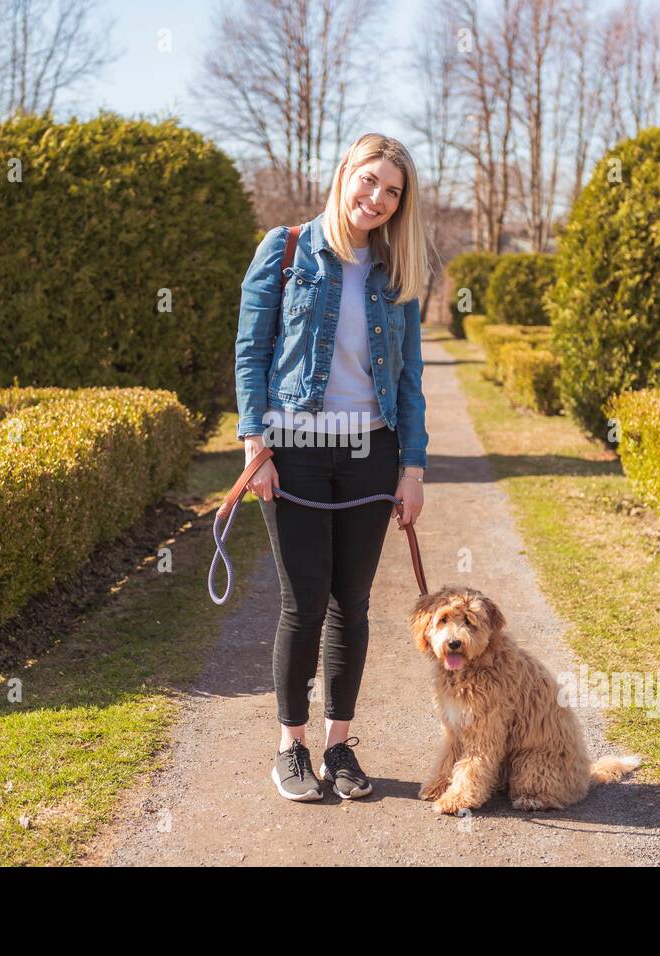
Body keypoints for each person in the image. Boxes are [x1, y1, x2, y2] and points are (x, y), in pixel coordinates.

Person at [233, 133, 430, 802]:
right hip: (295, 454)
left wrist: (413, 469)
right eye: (369, 180)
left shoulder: (396, 272)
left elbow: (410, 383)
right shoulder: (285, 250)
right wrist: (254, 446)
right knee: (305, 601)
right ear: (345, 172)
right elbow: (250, 354)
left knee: (353, 603)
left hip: (371, 454)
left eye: (392, 191)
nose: (376, 198)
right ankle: (291, 747)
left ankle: (339, 746)